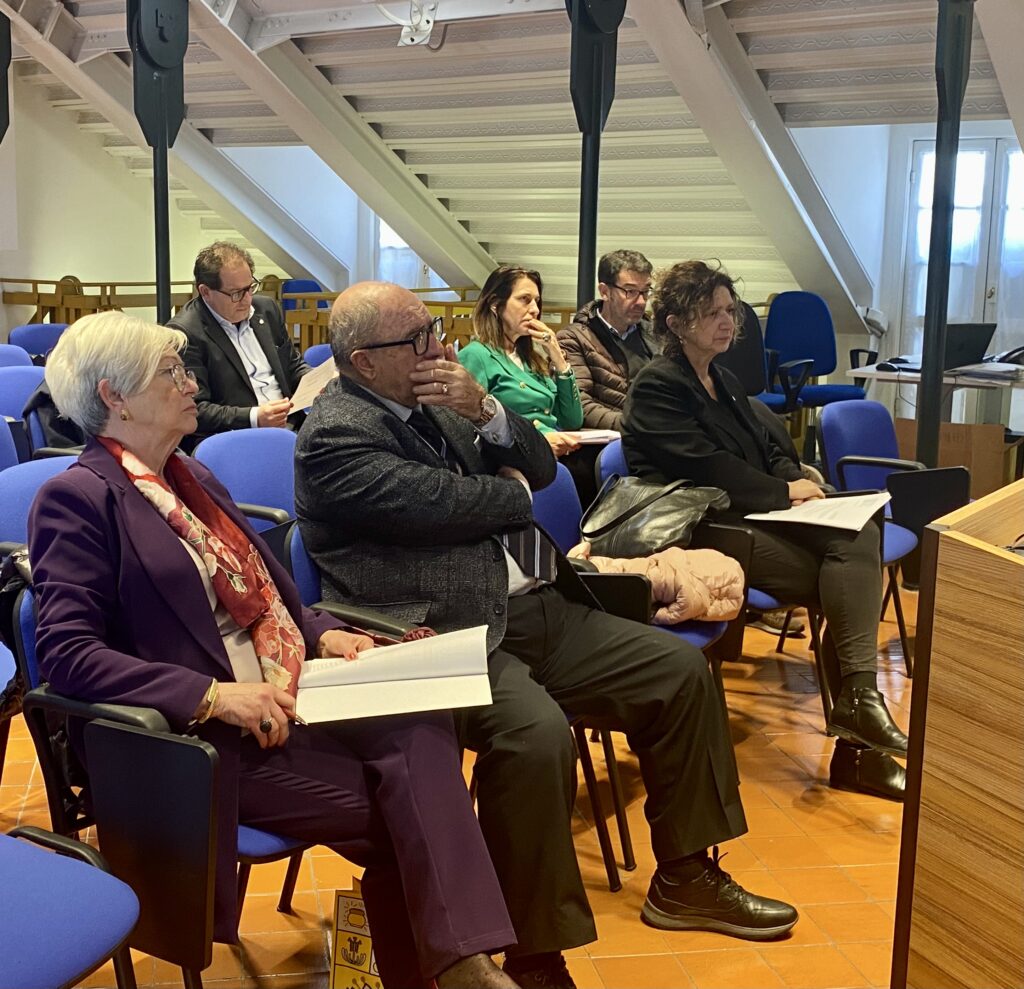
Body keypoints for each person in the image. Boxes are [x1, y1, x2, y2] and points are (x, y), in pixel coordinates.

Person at [294, 281, 798, 989]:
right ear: (363, 361)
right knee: (535, 737)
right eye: (417, 339)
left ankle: (686, 877)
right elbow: (448, 505)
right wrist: (511, 491)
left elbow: (541, 467)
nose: (438, 348)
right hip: (435, 634)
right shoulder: (334, 433)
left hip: (532, 604)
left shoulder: (439, 403)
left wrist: (487, 410)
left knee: (679, 674)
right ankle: (535, 957)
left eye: (433, 329)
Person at [27, 311, 519, 989]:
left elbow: (270, 598)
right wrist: (212, 696)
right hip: (193, 739)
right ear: (115, 396)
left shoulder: (191, 477)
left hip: (285, 692)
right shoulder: (78, 499)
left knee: (424, 723)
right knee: (408, 818)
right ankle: (461, 966)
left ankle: (460, 964)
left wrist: (322, 632)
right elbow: (66, 654)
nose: (191, 384)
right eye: (172, 372)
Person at [621, 260, 909, 802]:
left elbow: (766, 448)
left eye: (730, 311)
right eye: (711, 313)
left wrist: (795, 479)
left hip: (748, 519)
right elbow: (706, 467)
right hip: (700, 531)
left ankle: (859, 714)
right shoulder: (658, 386)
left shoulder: (724, 380)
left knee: (859, 533)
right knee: (847, 573)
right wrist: (782, 493)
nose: (727, 322)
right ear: (676, 323)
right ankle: (858, 742)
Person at [170, 242, 310, 449]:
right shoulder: (185, 333)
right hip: (238, 438)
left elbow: (292, 365)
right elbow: (195, 408)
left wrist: (314, 380)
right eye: (236, 293)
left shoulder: (267, 309)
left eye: (250, 288)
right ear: (205, 292)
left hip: (294, 424)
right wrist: (254, 417)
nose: (247, 300)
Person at [459, 265, 584, 460]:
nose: (535, 310)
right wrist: (538, 441)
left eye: (536, 301)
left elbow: (572, 420)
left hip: (556, 451)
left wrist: (558, 359)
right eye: (524, 299)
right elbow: (470, 426)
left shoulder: (531, 359)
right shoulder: (476, 356)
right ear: (495, 304)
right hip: (515, 458)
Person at [557, 249, 660, 431]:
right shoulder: (574, 339)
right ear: (605, 291)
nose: (642, 302)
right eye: (630, 291)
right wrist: (639, 426)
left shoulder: (657, 336)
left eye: (645, 291)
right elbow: (580, 405)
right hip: (611, 439)